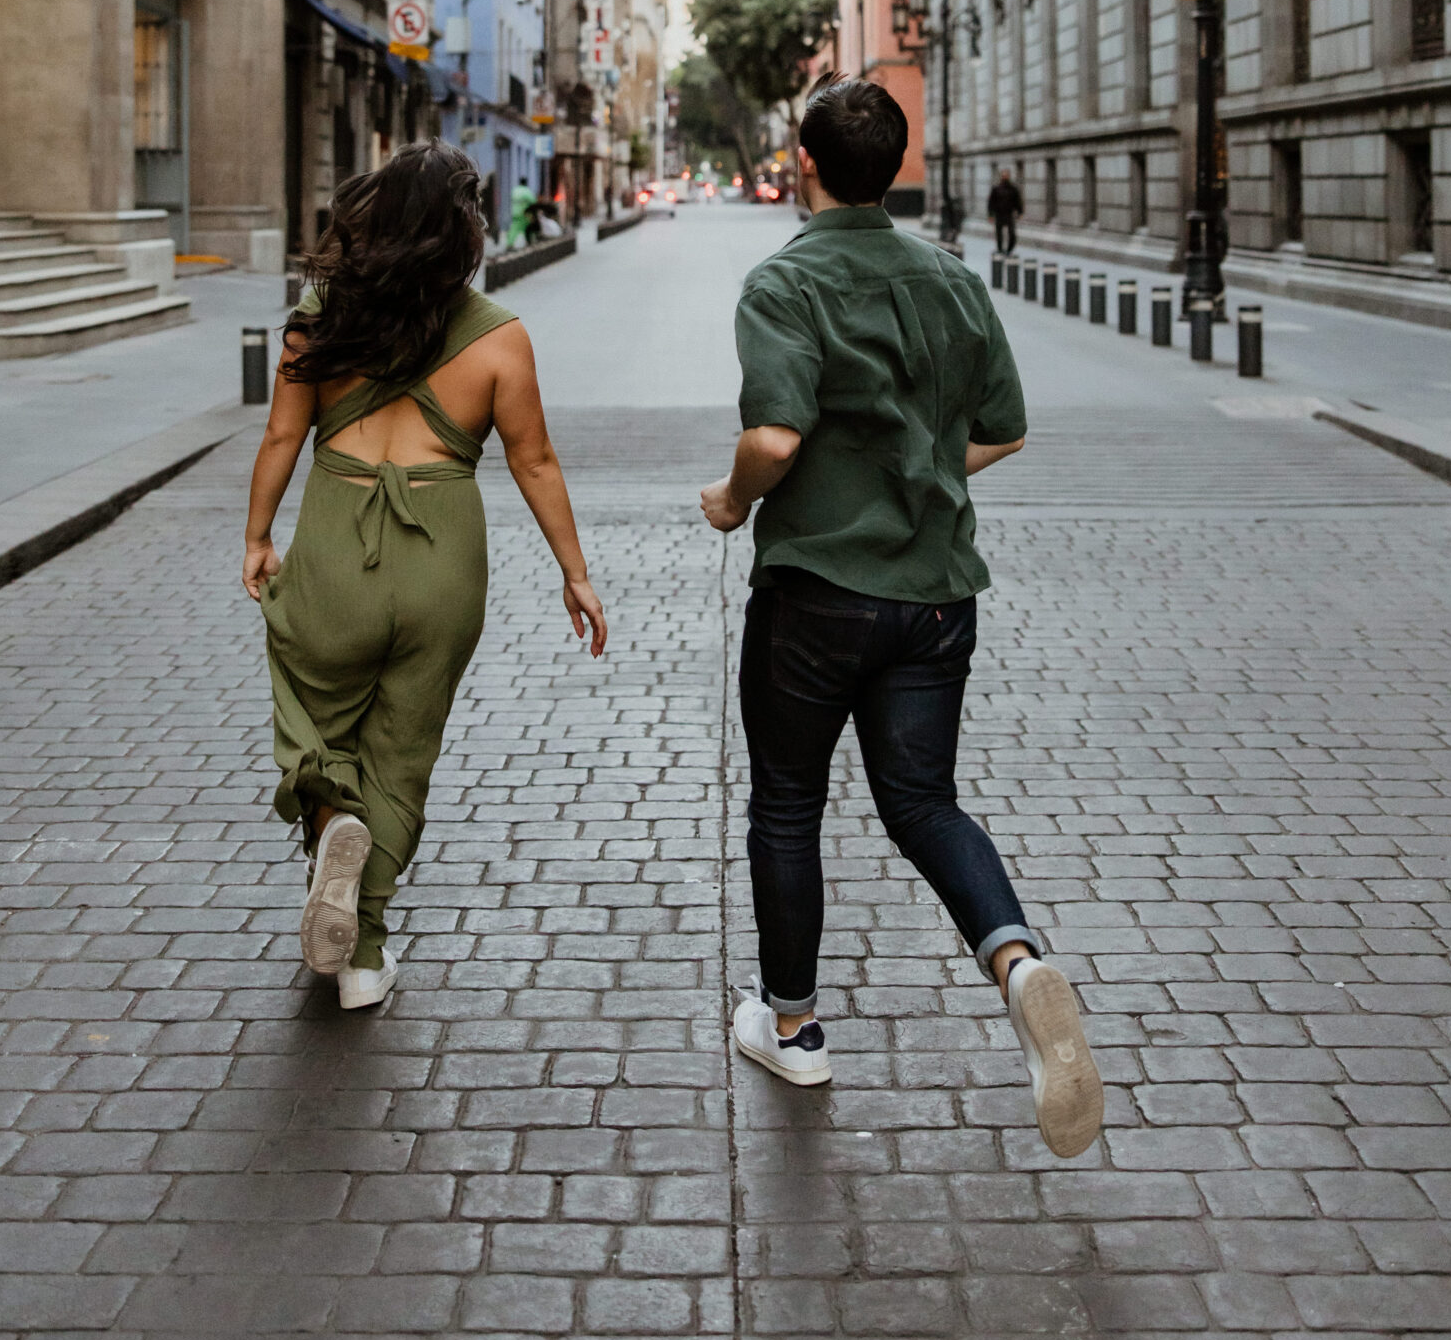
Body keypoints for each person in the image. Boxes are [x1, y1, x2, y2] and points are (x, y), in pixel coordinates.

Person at [699, 75, 1102, 1158]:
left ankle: (792, 1025)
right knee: (924, 803)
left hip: (818, 598)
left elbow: (776, 438)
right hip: (935, 599)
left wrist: (733, 501)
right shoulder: (953, 279)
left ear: (805, 163)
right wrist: (920, 468)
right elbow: (1004, 431)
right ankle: (1018, 963)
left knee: (787, 805)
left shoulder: (784, 284)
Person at [243, 143, 606, 1010]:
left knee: (309, 702)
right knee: (403, 749)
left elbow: (280, 440)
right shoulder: (499, 337)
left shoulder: (319, 317)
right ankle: (362, 959)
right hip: (445, 560)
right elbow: (536, 461)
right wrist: (575, 573)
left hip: (337, 542)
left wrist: (258, 535)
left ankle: (333, 820)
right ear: (467, 230)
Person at [988, 166, 1023, 258]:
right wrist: (990, 214)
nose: (1005, 177)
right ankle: (1000, 249)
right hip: (999, 214)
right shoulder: (996, 188)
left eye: (1006, 175)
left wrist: (1020, 212)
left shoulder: (1013, 189)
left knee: (1012, 233)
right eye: (1003, 175)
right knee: (999, 233)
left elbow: (1018, 201)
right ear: (1001, 177)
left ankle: (1009, 250)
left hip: (1009, 214)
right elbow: (991, 202)